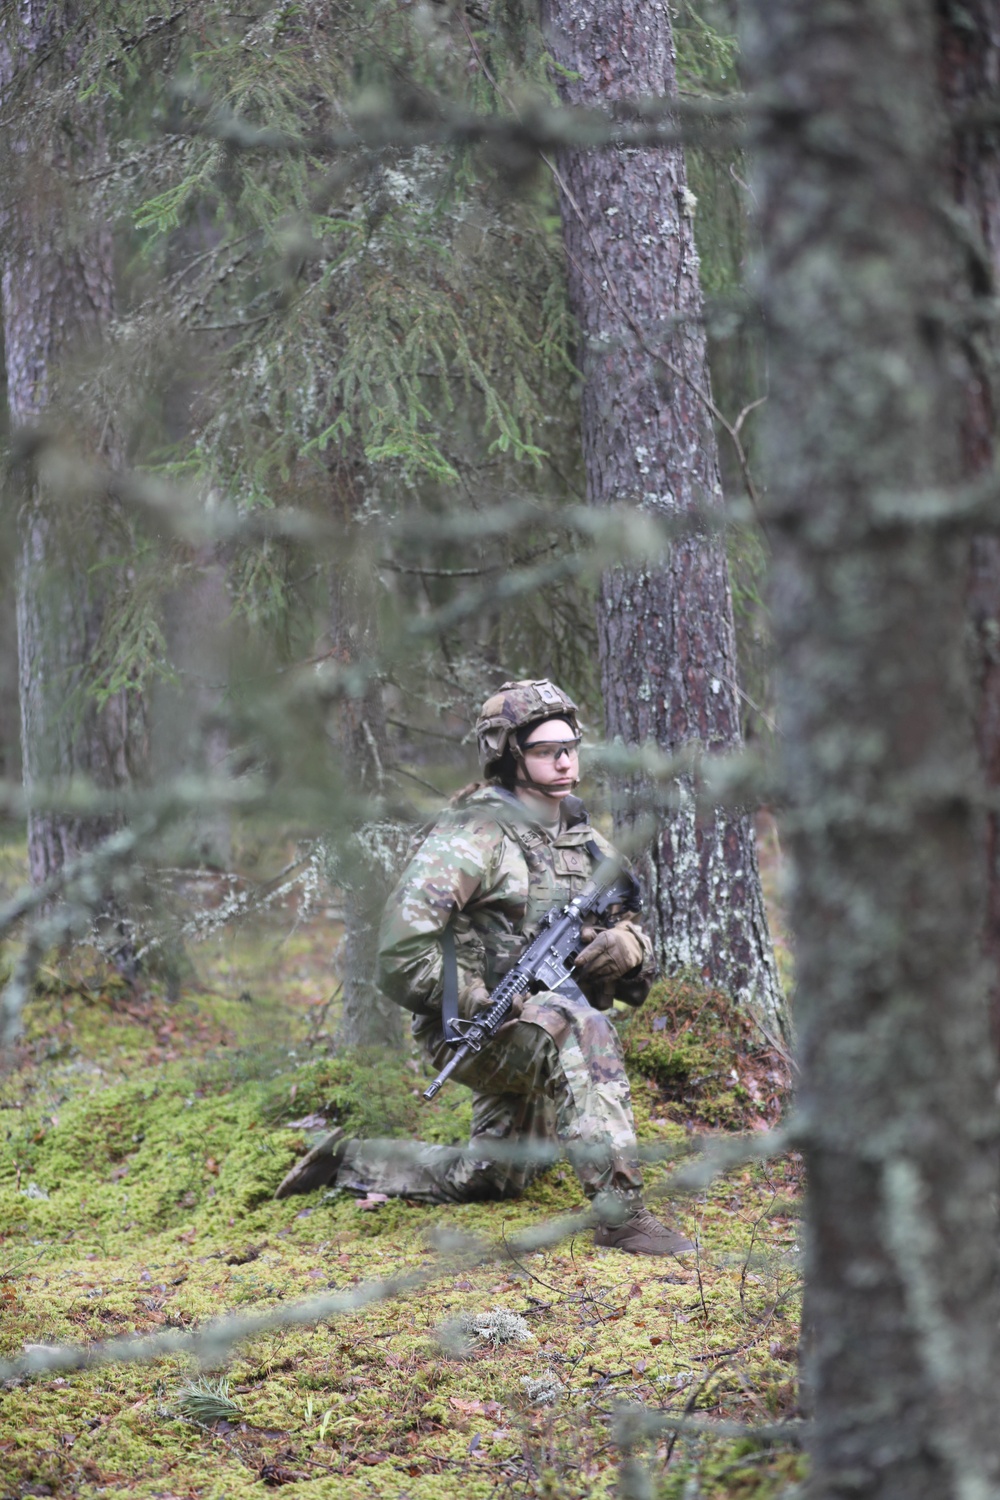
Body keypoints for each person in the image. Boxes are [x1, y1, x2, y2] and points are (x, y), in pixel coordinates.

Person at [275, 678, 692, 1256]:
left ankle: (353, 1160)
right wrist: (479, 1001)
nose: (566, 760)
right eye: (547, 751)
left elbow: (633, 952)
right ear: (509, 755)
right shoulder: (473, 837)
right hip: (475, 1031)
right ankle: (621, 1216)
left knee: (496, 1177)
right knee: (581, 1027)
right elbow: (398, 954)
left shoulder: (587, 842)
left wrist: (630, 950)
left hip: (537, 1023)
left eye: (570, 746)